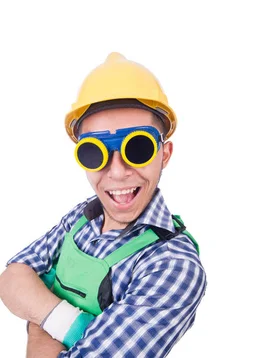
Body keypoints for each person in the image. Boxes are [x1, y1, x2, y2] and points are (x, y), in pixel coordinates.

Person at [0, 52, 206, 357]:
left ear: (164, 154)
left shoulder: (173, 264)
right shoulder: (82, 216)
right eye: (95, 153)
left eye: (138, 147)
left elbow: (25, 292)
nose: (118, 171)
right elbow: (12, 278)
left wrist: (39, 322)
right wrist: (71, 326)